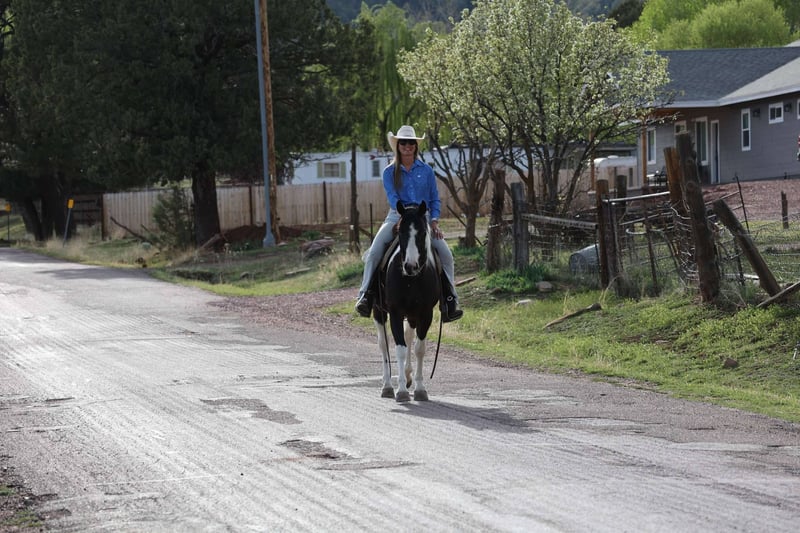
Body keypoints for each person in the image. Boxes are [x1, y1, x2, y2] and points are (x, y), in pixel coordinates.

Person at [355, 125, 463, 322]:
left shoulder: (427, 170)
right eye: (403, 143)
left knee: (446, 255)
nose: (407, 146)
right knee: (375, 252)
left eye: (411, 143)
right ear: (398, 145)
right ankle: (365, 296)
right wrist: (401, 217)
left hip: (423, 218)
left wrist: (434, 221)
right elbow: (392, 197)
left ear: (416, 145)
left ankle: (450, 300)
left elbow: (434, 198)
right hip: (397, 216)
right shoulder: (389, 172)